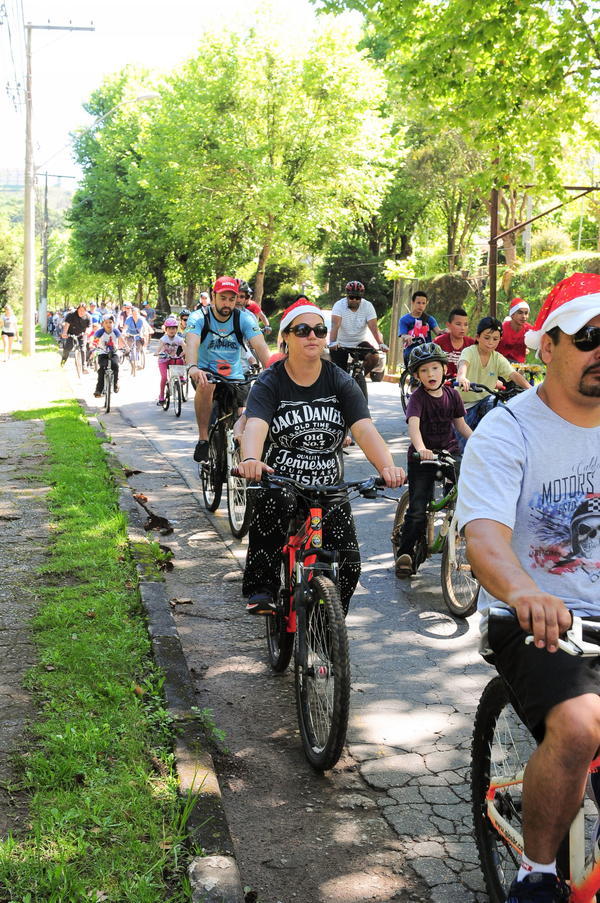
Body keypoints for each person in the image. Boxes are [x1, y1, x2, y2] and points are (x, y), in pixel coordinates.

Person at [456, 272, 600, 903]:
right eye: (590, 336)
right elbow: (484, 538)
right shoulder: (507, 430)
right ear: (548, 348)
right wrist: (523, 591)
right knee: (579, 725)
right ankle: (536, 872)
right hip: (538, 620)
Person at [235, 298, 406, 615]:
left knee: (349, 563)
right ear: (286, 336)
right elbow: (256, 424)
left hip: (329, 488)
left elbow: (365, 429)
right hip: (281, 481)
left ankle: (327, 625)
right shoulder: (270, 381)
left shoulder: (339, 380)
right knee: (273, 504)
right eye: (302, 330)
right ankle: (262, 588)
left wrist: (388, 467)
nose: (312, 335)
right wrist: (250, 460)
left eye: (319, 329)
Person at [394, 343, 472, 578]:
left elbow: (461, 425)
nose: (431, 374)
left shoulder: (452, 395)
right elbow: (414, 426)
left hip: (448, 452)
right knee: (418, 509)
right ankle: (405, 553)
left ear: (444, 370)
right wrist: (421, 448)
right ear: (417, 375)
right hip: (422, 458)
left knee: (465, 494)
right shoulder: (418, 398)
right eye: (424, 370)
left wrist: (480, 443)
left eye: (435, 368)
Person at [184, 276, 271, 463]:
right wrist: (192, 367)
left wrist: (272, 370)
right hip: (205, 372)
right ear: (213, 296)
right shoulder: (199, 317)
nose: (227, 303)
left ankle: (243, 451)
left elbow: (261, 346)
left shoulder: (244, 318)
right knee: (206, 385)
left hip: (235, 375)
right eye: (223, 298)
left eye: (232, 299)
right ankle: (203, 439)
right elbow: (192, 343)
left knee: (245, 409)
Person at [455, 316, 532, 449]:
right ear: (478, 337)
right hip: (463, 407)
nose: (491, 342)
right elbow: (463, 365)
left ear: (500, 340)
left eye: (495, 339)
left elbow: (513, 374)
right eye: (487, 337)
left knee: (499, 408)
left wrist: (531, 389)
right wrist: (462, 377)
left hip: (485, 402)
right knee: (465, 449)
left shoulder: (498, 358)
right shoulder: (469, 352)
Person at [329, 280, 387, 399]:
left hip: (359, 342)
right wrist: (333, 342)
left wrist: (381, 344)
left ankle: (358, 376)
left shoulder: (368, 306)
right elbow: (335, 325)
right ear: (347, 296)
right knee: (340, 373)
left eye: (357, 298)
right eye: (351, 297)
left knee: (374, 356)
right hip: (341, 343)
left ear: (361, 298)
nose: (354, 300)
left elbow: (374, 328)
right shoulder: (339, 305)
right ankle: (339, 394)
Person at [398, 290, 442, 365]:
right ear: (412, 302)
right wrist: (407, 336)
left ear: (426, 304)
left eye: (423, 303)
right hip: (411, 352)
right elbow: (403, 335)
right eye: (418, 303)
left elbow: (438, 332)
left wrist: (446, 331)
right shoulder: (404, 319)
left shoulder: (429, 319)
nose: (421, 305)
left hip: (427, 352)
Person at [434, 307, 475, 380]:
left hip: (465, 385)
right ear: (448, 325)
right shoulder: (438, 342)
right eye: (458, 324)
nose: (462, 328)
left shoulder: (472, 344)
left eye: (465, 324)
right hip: (443, 385)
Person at [156, 316, 185, 405]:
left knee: (180, 360)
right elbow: (158, 349)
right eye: (169, 328)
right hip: (163, 360)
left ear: (176, 329)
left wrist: (183, 353)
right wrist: (157, 353)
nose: (172, 330)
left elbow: (185, 347)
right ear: (166, 329)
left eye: (174, 328)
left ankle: (180, 377)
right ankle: (161, 396)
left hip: (172, 359)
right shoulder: (163, 339)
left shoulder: (179, 339)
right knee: (164, 377)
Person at [92, 314, 123, 396]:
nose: (108, 324)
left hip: (114, 352)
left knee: (115, 365)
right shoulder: (100, 332)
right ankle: (99, 390)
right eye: (106, 322)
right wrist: (93, 347)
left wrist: (126, 348)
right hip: (102, 352)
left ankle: (115, 383)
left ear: (113, 323)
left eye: (110, 322)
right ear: (103, 324)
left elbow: (121, 340)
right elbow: (95, 341)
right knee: (102, 368)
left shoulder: (115, 331)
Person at [497, 297, 533, 363]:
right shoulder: (501, 328)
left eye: (526, 313)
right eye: (520, 313)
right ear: (512, 315)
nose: (523, 316)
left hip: (519, 367)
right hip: (500, 364)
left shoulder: (529, 329)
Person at [60, 302, 91, 371]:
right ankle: (63, 361)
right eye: (80, 310)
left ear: (85, 311)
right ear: (77, 309)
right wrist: (64, 333)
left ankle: (84, 366)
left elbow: (89, 327)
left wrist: (87, 332)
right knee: (67, 349)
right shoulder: (71, 315)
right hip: (71, 334)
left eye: (83, 311)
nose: (81, 312)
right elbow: (67, 325)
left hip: (82, 334)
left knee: (83, 349)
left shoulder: (88, 316)